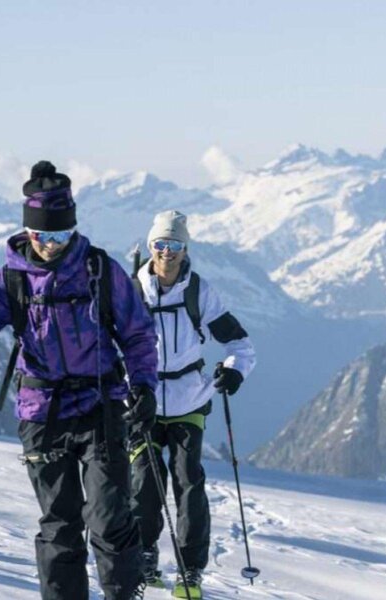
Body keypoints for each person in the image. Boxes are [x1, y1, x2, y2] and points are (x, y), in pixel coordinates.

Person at [0, 161, 159, 600]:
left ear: (71, 230)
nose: (49, 244)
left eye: (58, 235)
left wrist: (145, 386)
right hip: (43, 414)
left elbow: (137, 334)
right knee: (60, 525)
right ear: (27, 231)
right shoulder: (12, 279)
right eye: (40, 235)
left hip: (101, 406)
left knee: (110, 517)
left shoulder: (99, 270)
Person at [129, 210, 256, 598]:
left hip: (189, 400)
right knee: (144, 485)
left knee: (189, 483)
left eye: (175, 245)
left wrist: (234, 371)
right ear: (151, 247)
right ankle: (144, 557)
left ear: (185, 249)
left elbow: (241, 344)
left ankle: (190, 571)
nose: (167, 252)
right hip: (142, 401)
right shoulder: (130, 292)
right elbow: (108, 342)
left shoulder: (199, 293)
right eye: (160, 245)